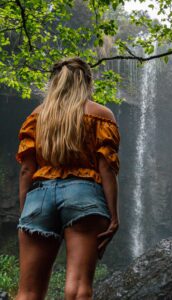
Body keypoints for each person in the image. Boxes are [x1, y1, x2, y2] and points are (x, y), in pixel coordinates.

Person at [15, 57, 120, 300]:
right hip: (84, 196)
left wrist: (26, 211)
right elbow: (107, 169)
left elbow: (26, 170)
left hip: (38, 197)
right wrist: (114, 216)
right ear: (86, 82)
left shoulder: (37, 116)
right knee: (78, 289)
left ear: (54, 82)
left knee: (27, 293)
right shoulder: (101, 115)